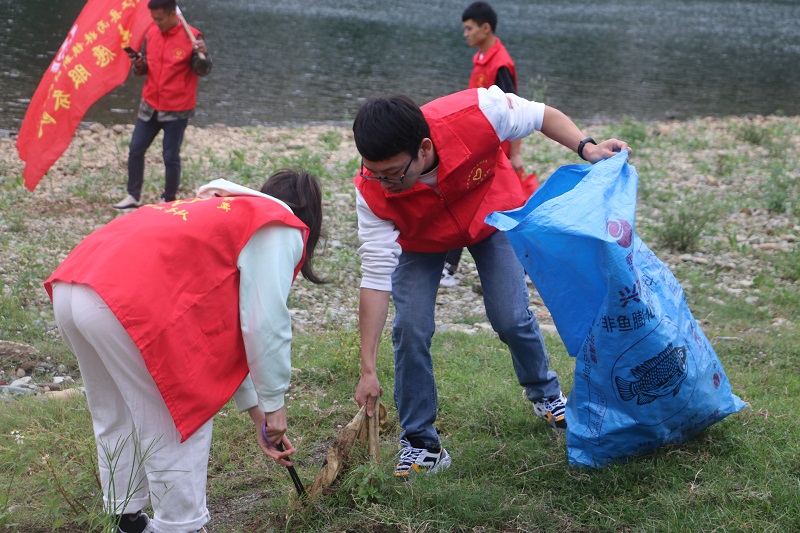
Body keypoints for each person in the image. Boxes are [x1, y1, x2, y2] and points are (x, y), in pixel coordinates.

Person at [352, 86, 629, 479]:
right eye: (371, 171)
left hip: (490, 216)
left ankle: (547, 396)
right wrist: (367, 369)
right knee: (410, 327)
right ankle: (421, 443)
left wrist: (587, 148)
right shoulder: (371, 191)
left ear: (425, 148)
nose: (383, 183)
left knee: (511, 316)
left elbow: (541, 115)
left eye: (393, 173)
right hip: (421, 239)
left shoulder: (478, 112)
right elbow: (375, 279)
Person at [46, 170, 323, 532]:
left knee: (115, 412)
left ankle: (128, 521)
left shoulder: (219, 209)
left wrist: (259, 414)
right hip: (122, 300)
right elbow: (264, 323)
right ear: (308, 219)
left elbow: (238, 333)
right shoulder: (278, 223)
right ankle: (181, 526)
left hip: (74, 284)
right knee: (177, 418)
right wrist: (275, 406)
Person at [441, 1, 538, 287]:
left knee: (500, 205)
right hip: (478, 143)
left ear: (485, 28)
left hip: (497, 150)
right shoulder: (481, 57)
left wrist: (517, 153)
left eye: (469, 29)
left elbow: (515, 108)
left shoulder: (501, 63)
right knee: (464, 198)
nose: (465, 34)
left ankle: (525, 264)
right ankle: (449, 266)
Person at [114, 0, 212, 210]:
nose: (156, 22)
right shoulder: (152, 32)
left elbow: (202, 70)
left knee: (170, 156)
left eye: (159, 18)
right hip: (149, 104)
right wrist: (139, 64)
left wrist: (203, 53)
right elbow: (147, 68)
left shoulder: (192, 36)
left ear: (172, 14)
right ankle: (133, 196)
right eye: (153, 18)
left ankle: (168, 199)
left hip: (177, 108)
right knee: (135, 149)